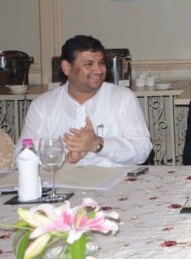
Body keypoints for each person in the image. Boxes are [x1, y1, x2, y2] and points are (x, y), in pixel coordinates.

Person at [17, 35, 152, 167]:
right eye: (88, 64)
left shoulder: (122, 98)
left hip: (117, 184)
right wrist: (66, 160)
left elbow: (142, 150)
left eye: (101, 63)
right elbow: (21, 155)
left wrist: (98, 144)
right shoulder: (43, 105)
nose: (98, 70)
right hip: (62, 184)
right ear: (67, 67)